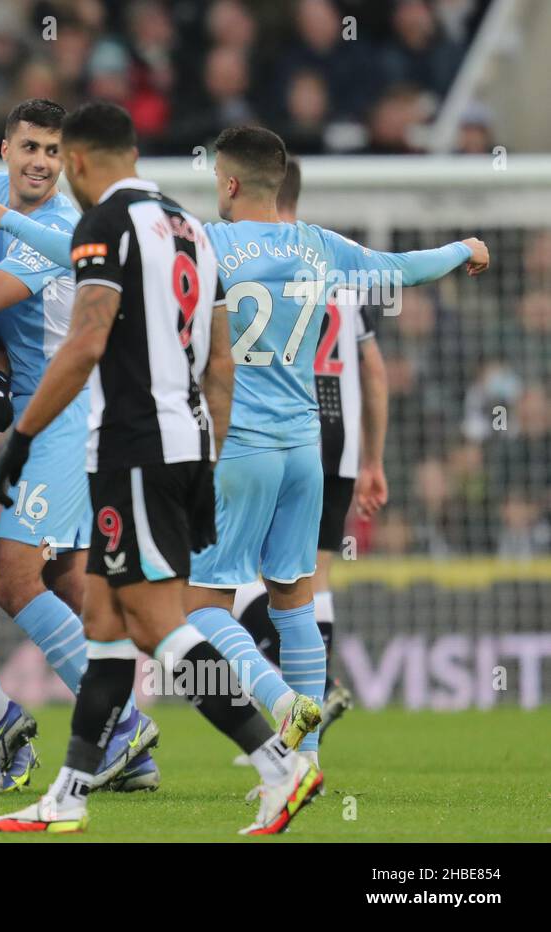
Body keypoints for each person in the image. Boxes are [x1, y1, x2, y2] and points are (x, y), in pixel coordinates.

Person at [0, 104, 322, 835]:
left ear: (77, 162)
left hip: (132, 447)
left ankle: (279, 762)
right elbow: (222, 364)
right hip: (181, 445)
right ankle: (68, 793)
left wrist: (24, 435)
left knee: (157, 626)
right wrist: (206, 460)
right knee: (105, 622)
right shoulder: (195, 231)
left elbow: (84, 341)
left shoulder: (103, 225)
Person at [183, 126, 488, 770]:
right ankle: (308, 760)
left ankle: (282, 704)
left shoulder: (207, 244)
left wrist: (12, 223)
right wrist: (463, 247)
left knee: (200, 608)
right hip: (306, 450)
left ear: (231, 184)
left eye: (217, 180)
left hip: (241, 448)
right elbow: (401, 270)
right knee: (292, 598)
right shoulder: (319, 247)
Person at [0, 98, 162, 791]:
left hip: (61, 423)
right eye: (30, 148)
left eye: (53, 152)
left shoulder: (51, 226)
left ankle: (119, 721)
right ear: (6, 149)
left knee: (12, 579)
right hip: (62, 419)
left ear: (67, 161)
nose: (40, 162)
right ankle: (132, 755)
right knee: (67, 583)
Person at [228, 156, 389, 751]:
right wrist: (372, 459)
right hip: (336, 440)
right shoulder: (337, 264)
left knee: (235, 583)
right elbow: (372, 369)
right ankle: (312, 710)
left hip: (269, 428)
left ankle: (304, 699)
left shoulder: (245, 257)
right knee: (308, 580)